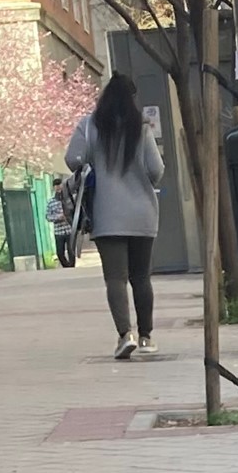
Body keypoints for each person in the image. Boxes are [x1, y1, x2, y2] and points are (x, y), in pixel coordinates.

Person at [65, 73, 164, 359]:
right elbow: (155, 170)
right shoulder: (141, 129)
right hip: (142, 214)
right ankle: (146, 337)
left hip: (108, 216)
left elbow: (73, 159)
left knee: (115, 279)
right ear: (131, 100)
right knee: (141, 277)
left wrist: (93, 163)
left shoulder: (89, 126)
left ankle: (125, 334)